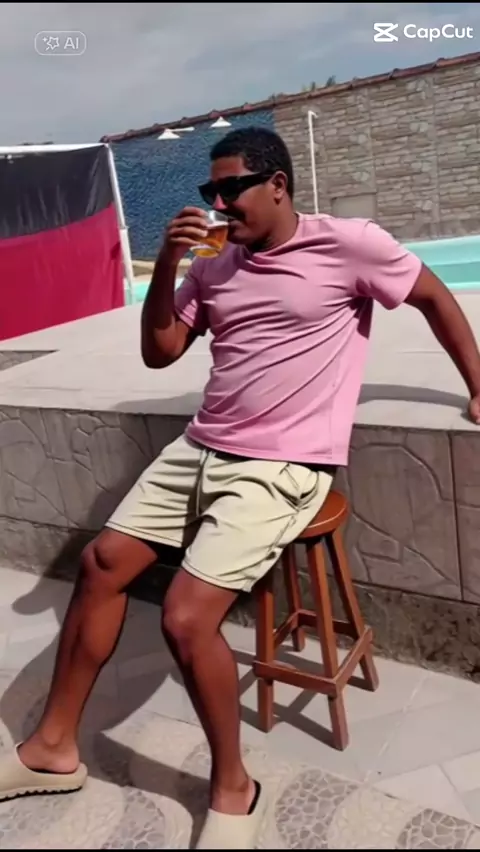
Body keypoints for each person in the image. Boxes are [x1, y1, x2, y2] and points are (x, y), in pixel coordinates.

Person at [1, 126, 480, 848]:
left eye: (232, 189)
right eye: (211, 191)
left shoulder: (348, 244)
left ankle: (234, 787)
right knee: (101, 564)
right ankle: (52, 748)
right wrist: (168, 265)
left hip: (284, 463)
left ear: (278, 184)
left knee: (186, 618)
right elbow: (161, 353)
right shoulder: (214, 265)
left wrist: (477, 385)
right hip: (200, 448)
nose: (219, 205)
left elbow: (435, 297)